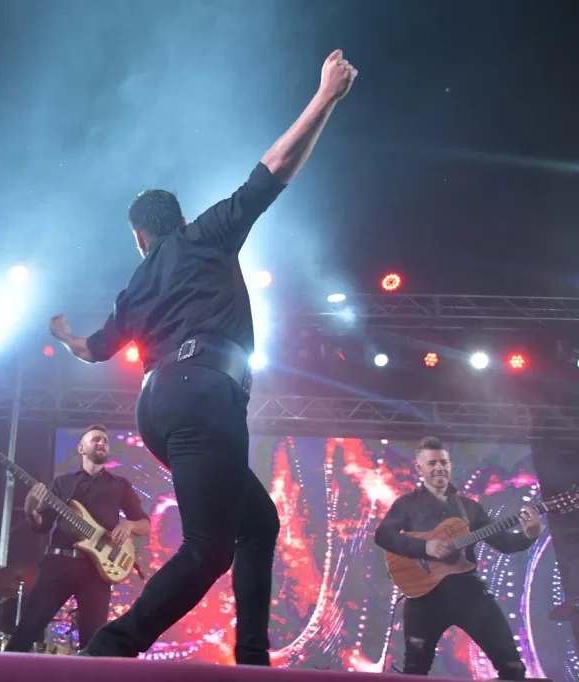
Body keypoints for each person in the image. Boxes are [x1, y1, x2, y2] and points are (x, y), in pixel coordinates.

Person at [47, 51, 358, 664]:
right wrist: (325, 97)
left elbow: (93, 350)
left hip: (159, 409)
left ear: (139, 237)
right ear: (182, 220)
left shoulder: (136, 283)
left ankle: (252, 658)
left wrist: (63, 336)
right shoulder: (203, 235)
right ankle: (108, 651)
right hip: (202, 394)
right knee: (209, 548)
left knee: (257, 524)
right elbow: (272, 172)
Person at [374, 437, 542, 679]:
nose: (439, 468)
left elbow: (503, 543)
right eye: (432, 463)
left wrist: (529, 535)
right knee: (415, 672)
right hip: (424, 599)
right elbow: (383, 535)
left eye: (443, 462)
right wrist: (425, 546)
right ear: (419, 468)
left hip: (469, 595)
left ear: (450, 465)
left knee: (513, 667)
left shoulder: (469, 507)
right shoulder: (406, 505)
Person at [5, 425, 151, 652]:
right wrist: (31, 510)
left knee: (92, 644)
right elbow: (41, 526)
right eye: (96, 439)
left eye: (105, 440)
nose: (101, 443)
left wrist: (129, 524)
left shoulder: (119, 485)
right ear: (81, 448)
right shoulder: (63, 483)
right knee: (25, 633)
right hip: (58, 565)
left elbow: (145, 525)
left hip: (96, 571)